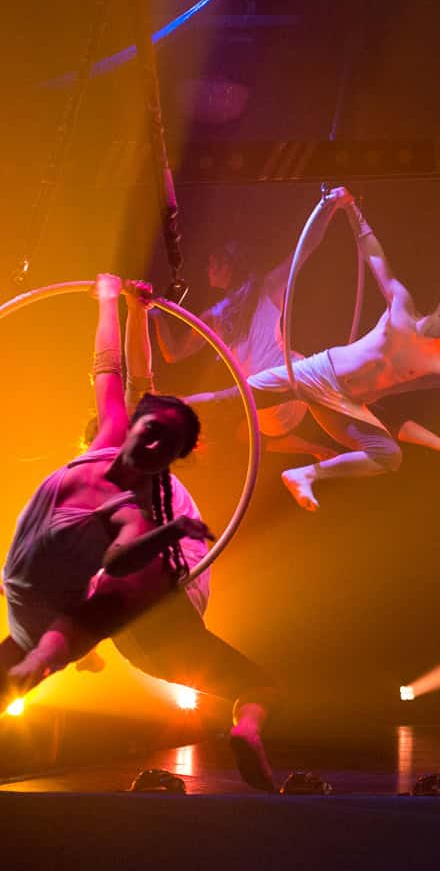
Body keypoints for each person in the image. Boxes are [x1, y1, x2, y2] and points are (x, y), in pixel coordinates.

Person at [0, 275, 279, 790]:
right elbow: (130, 376)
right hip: (164, 616)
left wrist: (121, 305)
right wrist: (128, 305)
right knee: (259, 687)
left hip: (119, 621)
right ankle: (245, 727)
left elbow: (110, 372)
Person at [186, 187, 440, 510]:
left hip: (345, 407)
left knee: (389, 456)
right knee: (231, 400)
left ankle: (305, 475)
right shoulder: (401, 308)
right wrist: (350, 209)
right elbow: (375, 258)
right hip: (317, 373)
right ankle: (168, 406)